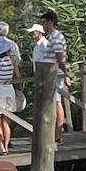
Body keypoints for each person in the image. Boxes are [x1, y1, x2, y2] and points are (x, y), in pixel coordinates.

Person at [34, 10, 71, 142]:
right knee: (52, 102)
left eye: (44, 22)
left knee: (56, 102)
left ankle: (57, 134)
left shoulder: (56, 36)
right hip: (49, 74)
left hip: (54, 74)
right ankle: (52, 132)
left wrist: (65, 73)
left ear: (50, 22)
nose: (42, 26)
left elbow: (60, 57)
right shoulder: (50, 37)